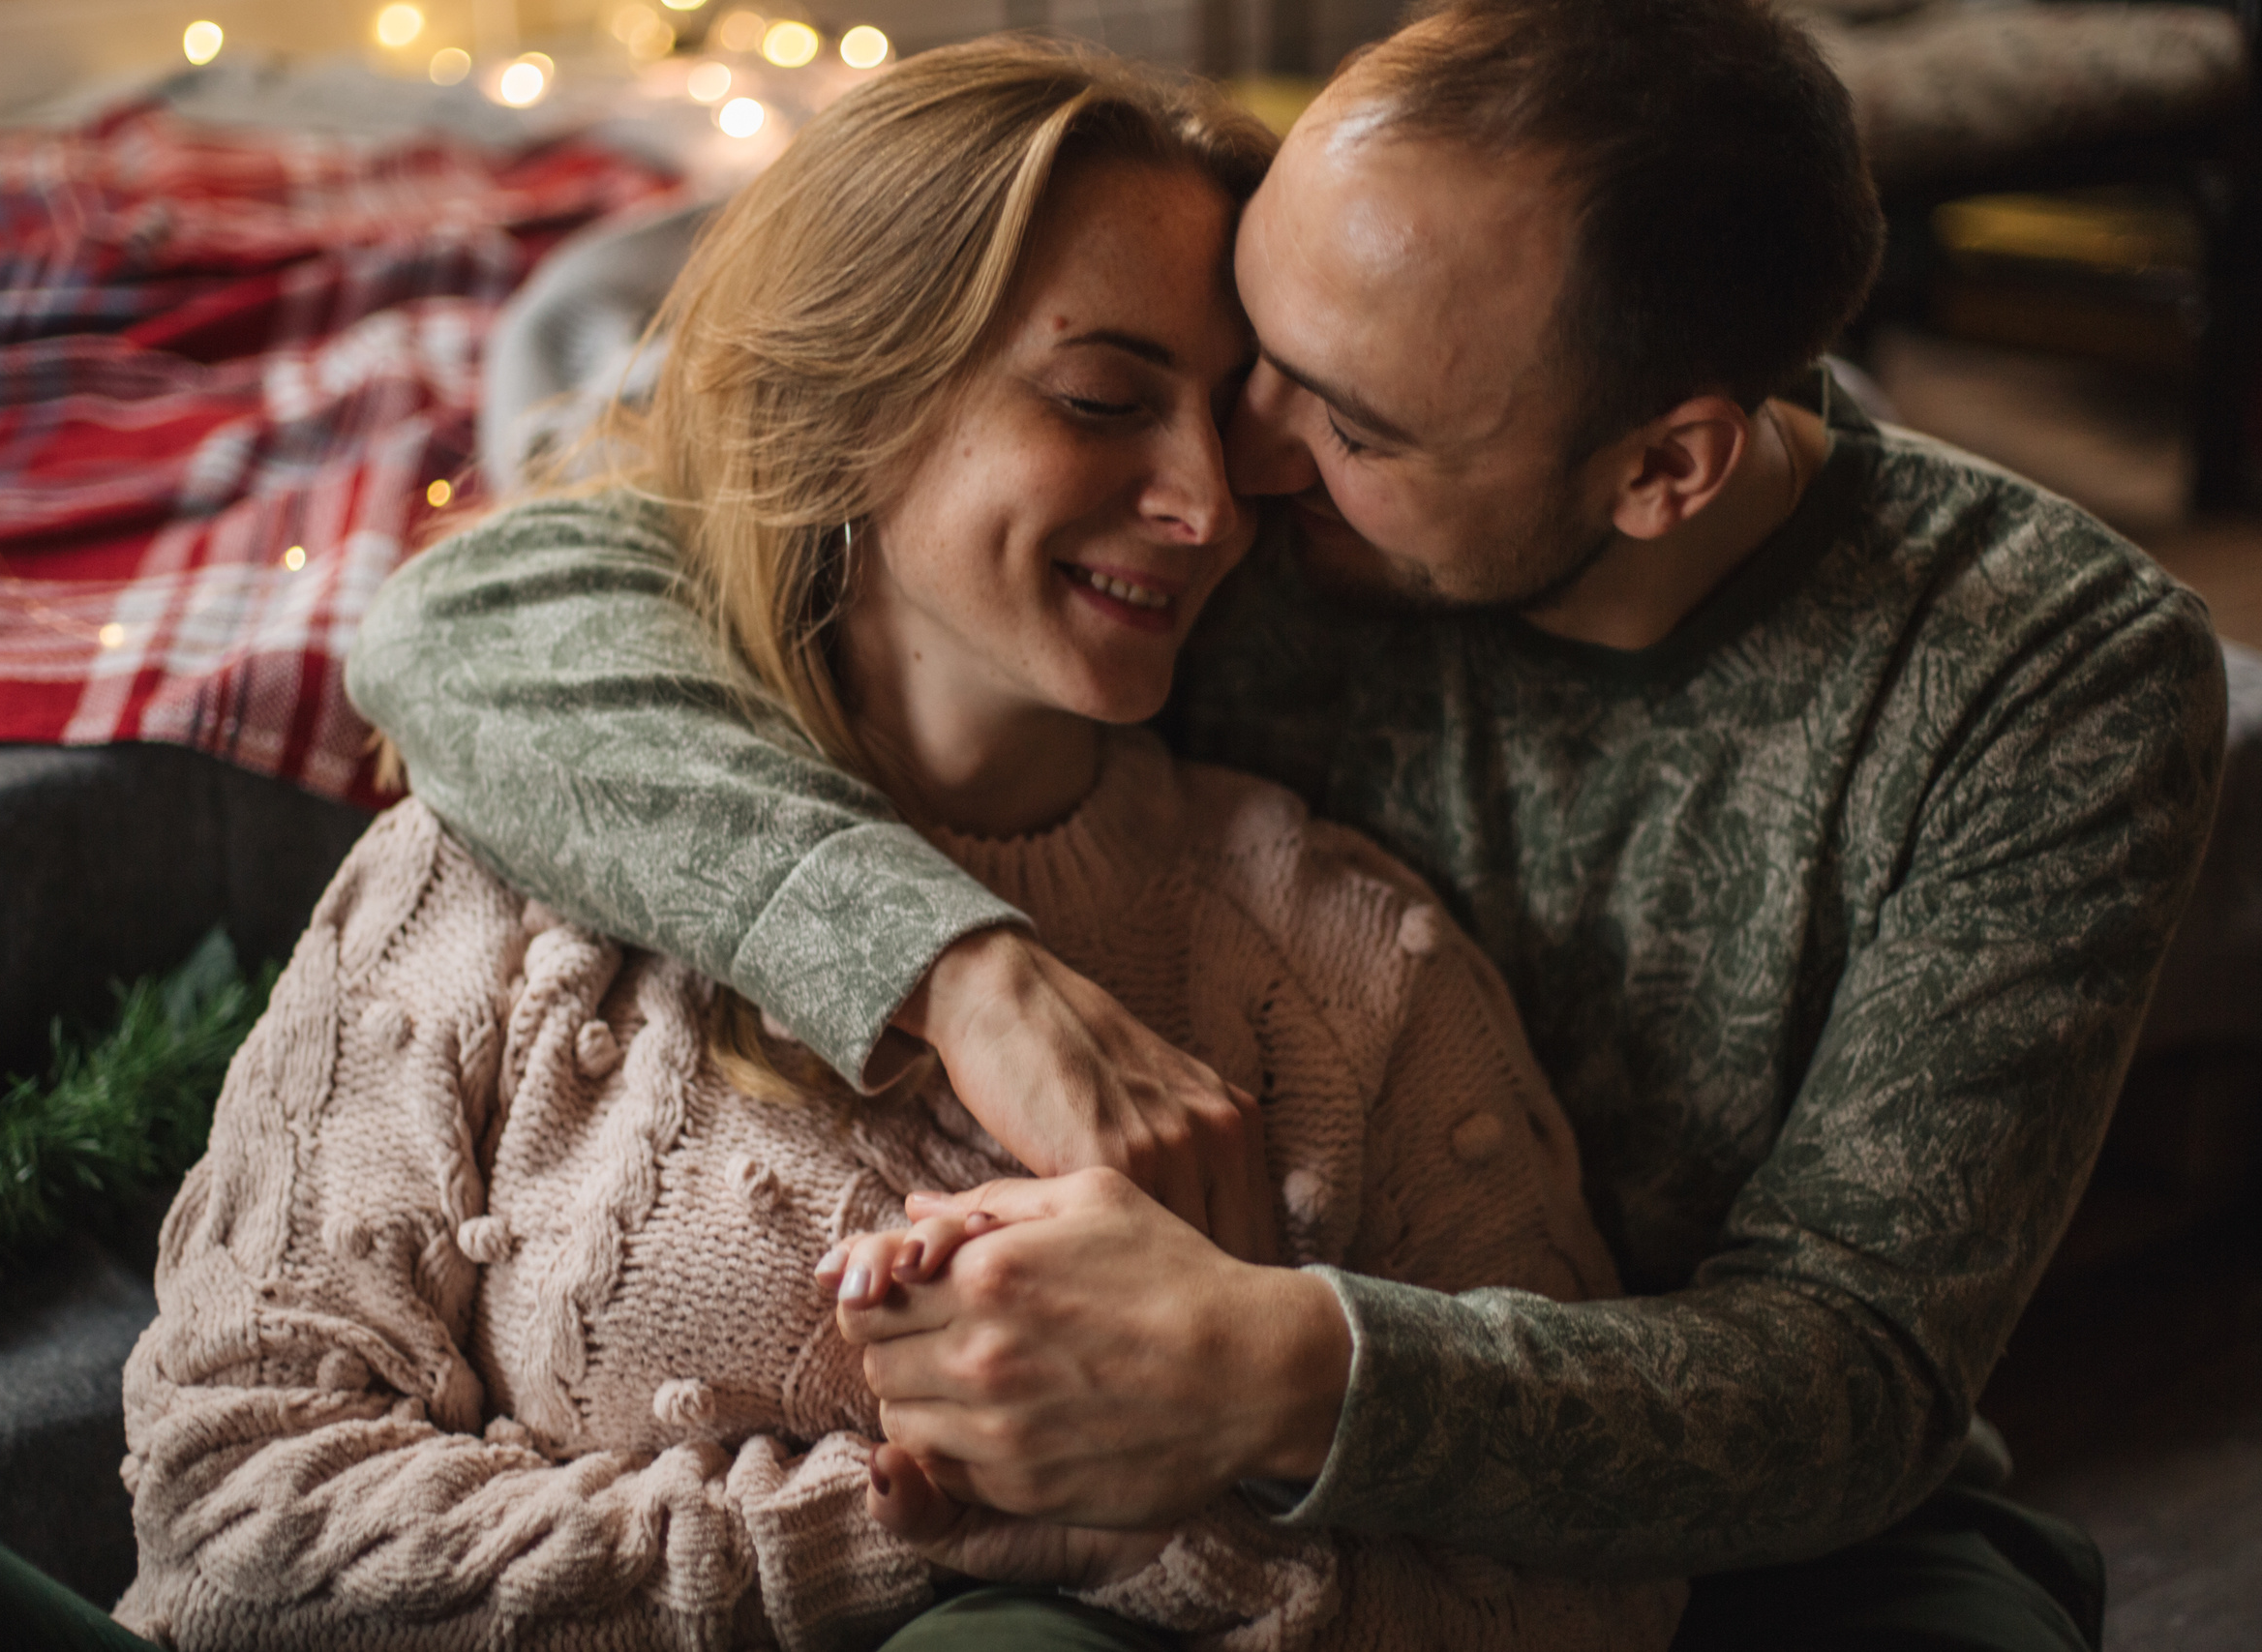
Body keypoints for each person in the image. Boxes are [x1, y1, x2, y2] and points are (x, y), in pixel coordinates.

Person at [350, 2, 2231, 1649]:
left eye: (1348, 422)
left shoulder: (2042, 678)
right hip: (1168, 1494)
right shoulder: (1217, 500)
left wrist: (1265, 1363)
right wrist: (953, 968)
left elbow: (1847, 1381)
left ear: (1664, 467)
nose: (1232, 462)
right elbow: (476, 612)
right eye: (1251, 338)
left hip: (1749, 1507)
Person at [115, 37, 1683, 1652]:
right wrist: (930, 1531)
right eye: (1100, 401)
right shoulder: (511, 850)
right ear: (851, 398)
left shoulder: (1354, 965)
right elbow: (229, 1534)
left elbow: (1592, 1597)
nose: (1207, 505)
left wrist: (1188, 1510)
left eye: (1234, 423)